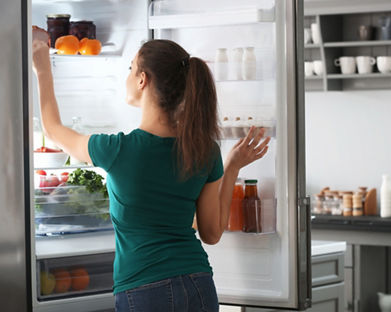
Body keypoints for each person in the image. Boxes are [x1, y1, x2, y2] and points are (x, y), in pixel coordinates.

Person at [32, 38, 270, 311]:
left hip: (144, 289)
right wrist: (232, 169)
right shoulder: (205, 150)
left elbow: (52, 129)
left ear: (142, 80)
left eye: (131, 68)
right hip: (198, 284)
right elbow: (212, 233)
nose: (128, 76)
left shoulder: (118, 149)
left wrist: (42, 68)